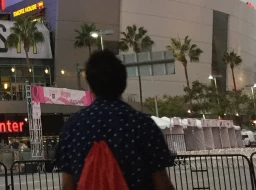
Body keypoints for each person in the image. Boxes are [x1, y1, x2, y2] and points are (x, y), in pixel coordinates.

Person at [56, 50, 175, 190]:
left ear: (91, 84)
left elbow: (67, 185)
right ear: (123, 83)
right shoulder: (142, 124)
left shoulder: (72, 127)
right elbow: (162, 183)